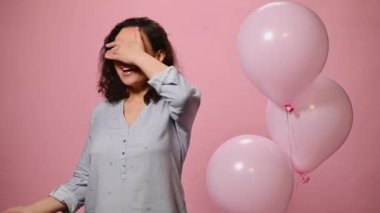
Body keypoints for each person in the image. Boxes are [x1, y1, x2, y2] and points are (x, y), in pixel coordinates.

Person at [3, 17, 201, 213]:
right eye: (117, 50)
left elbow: (183, 96)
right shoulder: (102, 112)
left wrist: (138, 57)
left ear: (158, 56)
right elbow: (85, 179)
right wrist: (30, 210)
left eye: (132, 50)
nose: (124, 59)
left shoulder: (174, 108)